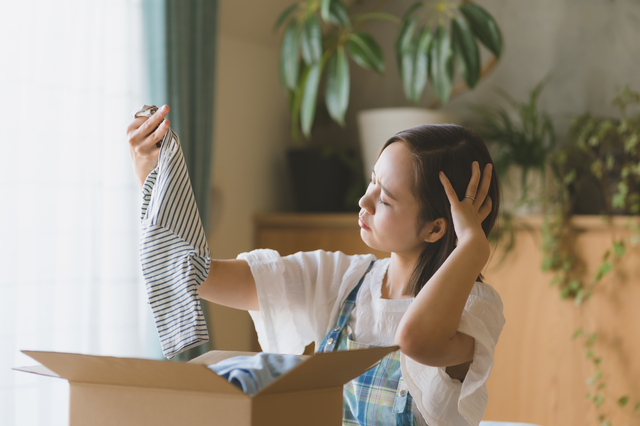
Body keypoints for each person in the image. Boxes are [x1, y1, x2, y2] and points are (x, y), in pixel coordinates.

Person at [126, 105, 505, 426]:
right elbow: (200, 276)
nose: (363, 202)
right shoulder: (344, 280)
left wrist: (472, 247)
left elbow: (416, 339)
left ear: (437, 226)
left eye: (385, 200)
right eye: (371, 183)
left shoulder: (474, 307)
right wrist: (153, 174)